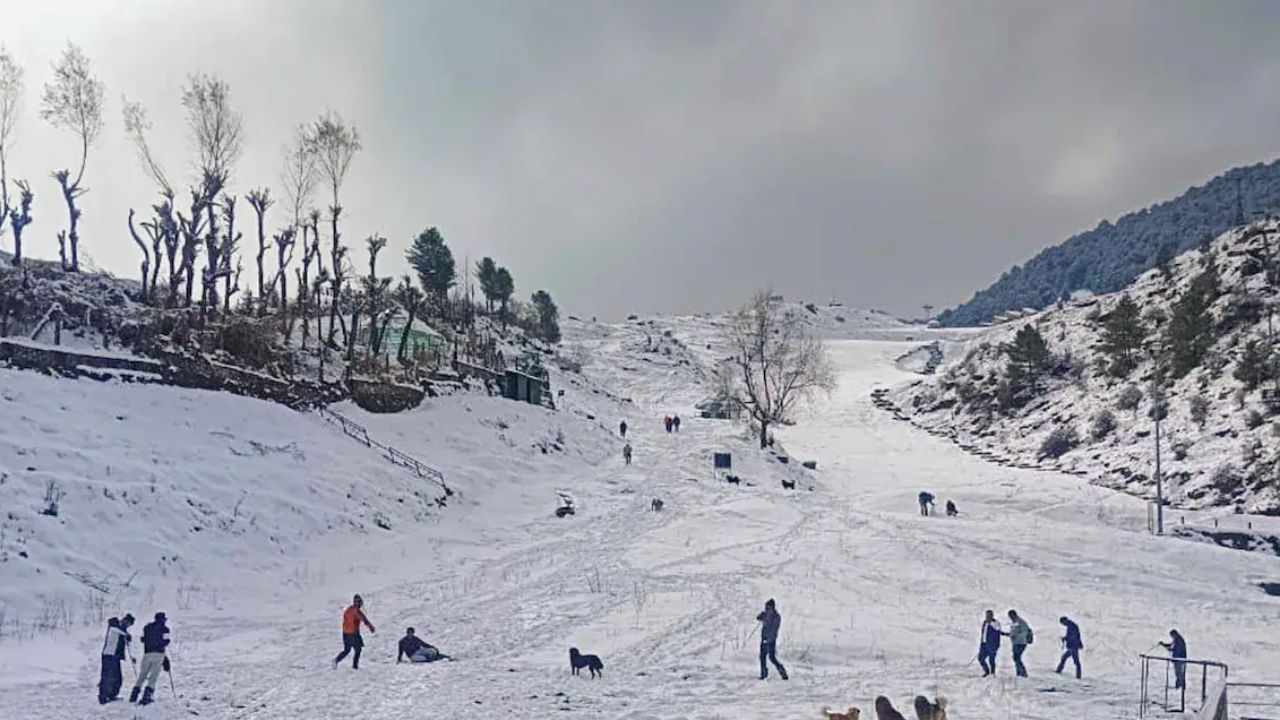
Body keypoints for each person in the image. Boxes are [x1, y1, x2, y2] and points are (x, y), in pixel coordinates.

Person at [130, 612, 169, 706]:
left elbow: (143, 639)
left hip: (147, 653)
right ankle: (147, 696)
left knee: (142, 674)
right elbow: (166, 641)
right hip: (159, 654)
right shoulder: (165, 629)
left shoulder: (147, 627)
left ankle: (134, 694)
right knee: (153, 676)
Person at [333, 594, 376, 669]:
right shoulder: (356, 611)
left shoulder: (348, 609)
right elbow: (364, 619)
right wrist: (371, 627)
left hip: (345, 633)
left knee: (347, 650)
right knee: (358, 650)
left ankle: (336, 660)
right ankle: (355, 666)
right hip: (353, 634)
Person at [98, 615, 134, 703]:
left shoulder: (121, 630)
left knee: (117, 678)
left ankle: (112, 695)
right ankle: (103, 696)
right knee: (107, 677)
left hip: (115, 656)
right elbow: (116, 629)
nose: (128, 626)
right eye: (128, 624)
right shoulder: (114, 625)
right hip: (109, 655)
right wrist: (126, 635)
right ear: (125, 620)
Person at [756, 599, 788, 680]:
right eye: (766, 607)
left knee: (772, 658)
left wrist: (769, 639)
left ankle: (782, 672)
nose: (766, 609)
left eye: (768, 607)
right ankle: (764, 674)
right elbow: (758, 618)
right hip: (764, 638)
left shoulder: (776, 617)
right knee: (762, 657)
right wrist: (762, 616)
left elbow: (774, 629)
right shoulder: (767, 614)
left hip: (770, 640)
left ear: (772, 607)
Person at [1003, 609, 1033, 677]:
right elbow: (1014, 632)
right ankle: (1019, 672)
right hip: (1016, 642)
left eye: (1011, 616)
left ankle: (1023, 672)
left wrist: (1014, 636)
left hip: (1021, 642)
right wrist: (1008, 634)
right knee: (1016, 658)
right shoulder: (1015, 622)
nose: (1010, 618)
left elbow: (1023, 632)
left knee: (1017, 657)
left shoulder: (1020, 622)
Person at [978, 609, 1002, 676]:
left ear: (992, 616)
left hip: (992, 645)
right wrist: (982, 642)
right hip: (984, 644)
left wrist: (996, 645)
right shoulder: (985, 622)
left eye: (989, 616)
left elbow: (998, 631)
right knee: (980, 658)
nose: (987, 617)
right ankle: (987, 671)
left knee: (991, 660)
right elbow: (983, 633)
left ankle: (992, 673)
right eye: (987, 615)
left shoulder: (995, 623)